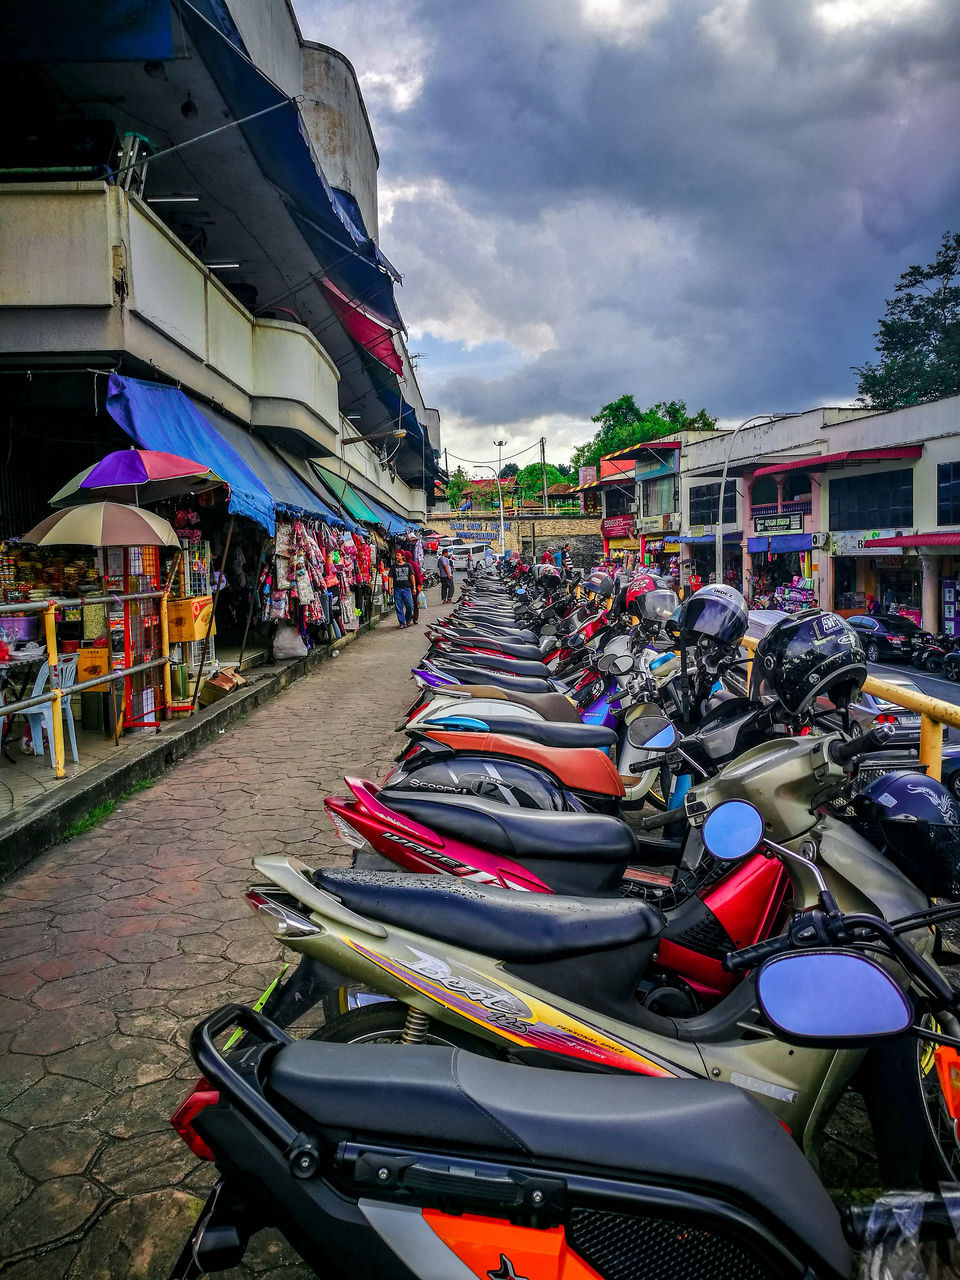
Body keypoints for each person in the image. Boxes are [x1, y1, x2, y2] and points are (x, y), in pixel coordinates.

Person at [392, 550, 415, 628]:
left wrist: (414, 587)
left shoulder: (408, 565)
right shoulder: (394, 566)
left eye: (398, 555)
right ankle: (402, 622)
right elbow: (390, 577)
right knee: (399, 607)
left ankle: (408, 619)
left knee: (410, 606)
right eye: (396, 555)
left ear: (402, 556)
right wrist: (389, 587)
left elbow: (412, 576)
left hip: (407, 589)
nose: (396, 557)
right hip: (397, 589)